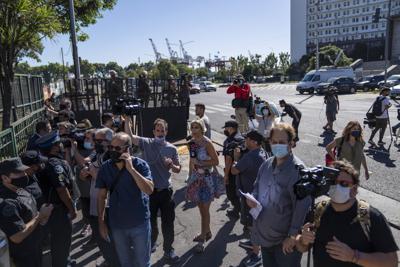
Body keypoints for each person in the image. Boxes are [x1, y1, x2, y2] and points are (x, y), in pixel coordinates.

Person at [296, 160, 399, 267]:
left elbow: (392, 262)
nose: (337, 186)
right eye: (333, 182)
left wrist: (354, 256)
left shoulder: (372, 217)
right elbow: (301, 247)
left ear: (354, 189)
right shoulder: (317, 210)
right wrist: (303, 241)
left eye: (344, 184)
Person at [246, 123, 311, 267]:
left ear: (291, 143)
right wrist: (253, 197)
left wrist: (292, 236)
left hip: (285, 242)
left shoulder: (298, 171)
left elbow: (302, 207)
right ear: (269, 142)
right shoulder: (266, 164)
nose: (277, 145)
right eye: (274, 142)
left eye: (282, 142)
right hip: (265, 237)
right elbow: (257, 186)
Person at [125, 118, 181, 263]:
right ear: (153, 131)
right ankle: (152, 243)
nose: (160, 133)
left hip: (165, 191)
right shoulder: (147, 142)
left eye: (163, 130)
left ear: (166, 131)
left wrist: (171, 166)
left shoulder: (172, 148)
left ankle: (168, 250)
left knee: (168, 223)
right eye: (158, 130)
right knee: (150, 222)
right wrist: (126, 121)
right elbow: (130, 138)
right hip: (150, 191)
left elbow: (178, 169)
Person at [96, 132, 154, 267]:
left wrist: (131, 169)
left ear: (128, 149)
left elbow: (149, 190)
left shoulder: (140, 165)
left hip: (139, 223)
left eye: (117, 149)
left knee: (142, 263)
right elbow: (102, 196)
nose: (112, 151)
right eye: (110, 148)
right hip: (118, 225)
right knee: (125, 262)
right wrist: (101, 222)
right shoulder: (106, 167)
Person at [0, 158, 53, 267]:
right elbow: (17, 237)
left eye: (24, 171)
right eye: (18, 173)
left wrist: (42, 219)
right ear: (5, 178)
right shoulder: (7, 204)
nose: (24, 175)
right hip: (24, 256)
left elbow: (29, 214)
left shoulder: (20, 189)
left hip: (35, 246)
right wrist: (40, 216)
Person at [79, 128, 121, 266]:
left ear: (109, 141)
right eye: (94, 139)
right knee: (101, 238)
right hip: (95, 202)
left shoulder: (113, 157)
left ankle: (114, 262)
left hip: (108, 206)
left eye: (98, 140)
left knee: (108, 238)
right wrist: (85, 173)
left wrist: (93, 172)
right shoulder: (97, 153)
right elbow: (88, 166)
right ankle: (110, 260)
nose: (94, 143)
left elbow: (110, 183)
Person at [36, 131, 77, 267]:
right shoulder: (55, 164)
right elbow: (62, 190)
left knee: (58, 243)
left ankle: (65, 261)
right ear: (54, 147)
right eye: (59, 143)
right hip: (58, 211)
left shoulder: (44, 161)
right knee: (61, 242)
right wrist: (72, 209)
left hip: (50, 210)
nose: (61, 144)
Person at [231, 130, 266, 267]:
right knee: (254, 224)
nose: (245, 141)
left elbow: (234, 170)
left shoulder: (250, 156)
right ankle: (253, 243)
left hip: (250, 197)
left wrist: (236, 158)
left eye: (248, 139)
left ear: (254, 142)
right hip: (258, 195)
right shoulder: (262, 152)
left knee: (253, 226)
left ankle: (256, 255)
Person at [185, 119, 221, 252]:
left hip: (207, 180)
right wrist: (190, 175)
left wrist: (200, 163)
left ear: (202, 129)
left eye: (196, 127)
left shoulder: (207, 143)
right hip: (196, 179)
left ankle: (202, 239)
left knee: (205, 210)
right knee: (201, 209)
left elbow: (216, 161)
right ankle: (207, 231)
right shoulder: (192, 143)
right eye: (192, 127)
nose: (194, 130)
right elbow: (192, 161)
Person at [222, 120, 244, 218]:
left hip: (232, 172)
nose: (225, 130)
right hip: (243, 171)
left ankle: (238, 210)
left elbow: (228, 159)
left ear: (230, 128)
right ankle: (241, 211)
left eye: (226, 128)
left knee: (231, 193)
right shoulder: (242, 138)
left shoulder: (229, 141)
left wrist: (226, 176)